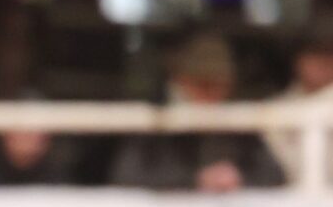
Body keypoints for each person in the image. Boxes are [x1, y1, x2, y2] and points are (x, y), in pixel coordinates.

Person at [111, 31, 286, 193]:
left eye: (221, 85)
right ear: (182, 80)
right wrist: (193, 180)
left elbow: (274, 175)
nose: (212, 94)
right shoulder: (156, 118)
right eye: (203, 84)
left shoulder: (237, 124)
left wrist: (239, 177)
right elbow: (127, 176)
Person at [268, 14, 333, 183]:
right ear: (297, 58)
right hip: (290, 204)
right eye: (315, 53)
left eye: (330, 53)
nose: (324, 62)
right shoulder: (275, 110)